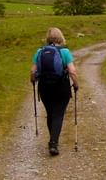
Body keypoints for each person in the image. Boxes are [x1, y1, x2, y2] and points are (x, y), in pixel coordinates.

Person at [30, 27, 79, 156]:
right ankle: (53, 143)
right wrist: (76, 84)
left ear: (48, 38)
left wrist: (33, 80)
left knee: (50, 113)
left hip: (44, 87)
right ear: (60, 37)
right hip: (61, 86)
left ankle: (52, 140)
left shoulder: (40, 51)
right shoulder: (65, 51)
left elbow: (32, 71)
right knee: (58, 114)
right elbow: (72, 71)